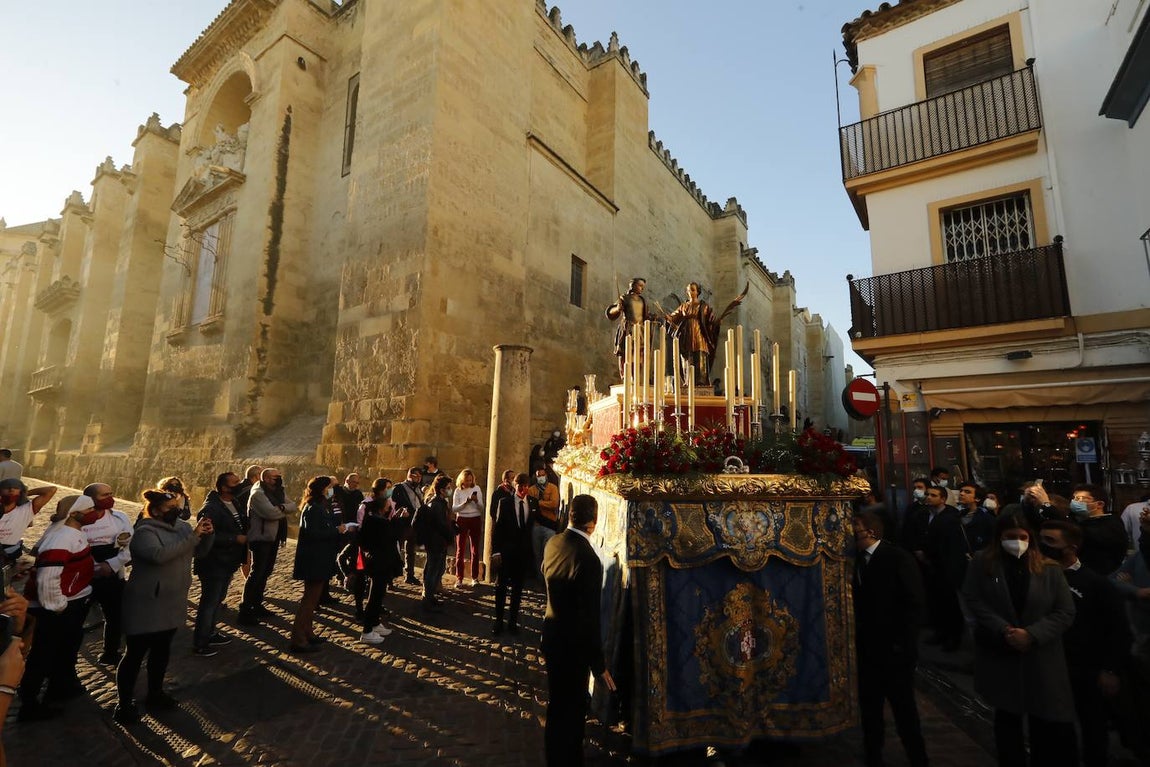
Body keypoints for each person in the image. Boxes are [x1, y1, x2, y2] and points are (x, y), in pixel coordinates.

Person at [963, 512, 1078, 766]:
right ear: (999, 537)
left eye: (1022, 537)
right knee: (1007, 719)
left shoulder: (1048, 569)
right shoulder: (983, 563)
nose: (1016, 542)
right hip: (1001, 649)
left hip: (1040, 652)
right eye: (1010, 537)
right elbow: (973, 599)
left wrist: (1032, 634)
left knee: (1043, 718)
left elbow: (1065, 611)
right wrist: (1004, 629)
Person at [115, 490, 213, 725]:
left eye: (176, 505)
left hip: (172, 600)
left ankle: (155, 693)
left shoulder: (181, 527)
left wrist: (206, 534)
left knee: (161, 652)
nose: (176, 510)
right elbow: (159, 556)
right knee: (135, 655)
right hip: (147, 602)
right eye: (170, 506)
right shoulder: (144, 531)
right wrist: (193, 537)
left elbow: (196, 550)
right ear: (156, 509)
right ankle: (124, 702)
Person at [1038, 520, 1130, 767]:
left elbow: (1117, 629)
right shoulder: (1037, 578)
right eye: (1041, 539)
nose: (1043, 546)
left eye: (1051, 541)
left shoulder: (1095, 583)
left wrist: (1110, 669)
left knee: (1092, 727)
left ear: (1072, 547)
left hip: (1086, 667)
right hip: (1050, 665)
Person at [541, 494, 615, 766]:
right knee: (572, 712)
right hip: (573, 648)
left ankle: (554, 757)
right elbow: (589, 616)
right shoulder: (588, 558)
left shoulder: (553, 542)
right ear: (594, 521)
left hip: (552, 637)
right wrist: (599, 664)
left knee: (557, 705)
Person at [851, 510, 929, 767]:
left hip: (895, 650)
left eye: (856, 529)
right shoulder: (855, 560)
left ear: (871, 532)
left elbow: (914, 603)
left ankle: (917, 758)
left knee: (904, 709)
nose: (852, 534)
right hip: (867, 649)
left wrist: (903, 644)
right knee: (870, 709)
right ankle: (873, 754)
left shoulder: (897, 557)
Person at [17, 495, 98, 721]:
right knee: (43, 654)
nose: (94, 512)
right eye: (89, 509)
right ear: (74, 514)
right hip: (57, 608)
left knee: (63, 648)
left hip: (71, 602)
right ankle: (30, 704)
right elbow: (48, 577)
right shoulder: (62, 538)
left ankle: (58, 688)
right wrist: (58, 605)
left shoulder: (70, 533)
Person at [192, 473, 248, 656]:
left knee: (217, 600)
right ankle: (201, 642)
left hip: (228, 561)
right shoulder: (212, 508)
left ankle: (210, 633)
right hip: (214, 563)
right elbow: (206, 535)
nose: (239, 485)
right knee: (209, 602)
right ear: (224, 487)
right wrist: (234, 538)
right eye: (235, 483)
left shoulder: (235, 503)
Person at [289, 476, 346, 653]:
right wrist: (336, 530)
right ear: (322, 488)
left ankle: (308, 632)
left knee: (312, 600)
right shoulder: (314, 508)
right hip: (314, 559)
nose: (332, 490)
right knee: (309, 600)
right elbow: (314, 533)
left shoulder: (320, 506)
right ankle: (298, 639)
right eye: (329, 487)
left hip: (319, 558)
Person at [80, 482, 133, 666]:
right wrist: (94, 567)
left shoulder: (119, 518)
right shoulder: (80, 520)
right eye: (104, 495)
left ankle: (110, 652)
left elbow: (129, 545)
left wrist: (111, 565)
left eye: (111, 493)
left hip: (111, 573)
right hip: (83, 575)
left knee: (115, 615)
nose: (110, 498)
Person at [240, 468, 295, 625]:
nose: (277, 480)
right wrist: (283, 509)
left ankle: (257, 604)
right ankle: (245, 609)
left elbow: (293, 505)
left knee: (266, 571)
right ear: (265, 479)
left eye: (278, 477)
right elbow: (270, 513)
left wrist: (282, 508)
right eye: (273, 478)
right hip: (261, 538)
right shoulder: (258, 493)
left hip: (273, 537)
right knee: (257, 572)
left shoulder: (278, 492)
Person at [921, 486, 967, 651]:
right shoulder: (925, 514)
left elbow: (951, 546)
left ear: (942, 499)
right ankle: (940, 633)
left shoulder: (949, 518)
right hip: (933, 567)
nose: (928, 497)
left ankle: (953, 638)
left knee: (950, 605)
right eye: (927, 494)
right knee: (937, 603)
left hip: (946, 567)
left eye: (933, 495)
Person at [354, 478, 400, 644]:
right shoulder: (378, 522)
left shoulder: (376, 520)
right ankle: (367, 630)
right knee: (374, 596)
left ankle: (374, 623)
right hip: (379, 562)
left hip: (379, 561)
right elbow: (391, 536)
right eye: (388, 504)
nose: (391, 505)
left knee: (378, 595)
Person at [492, 473, 535, 635]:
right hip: (506, 552)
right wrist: (496, 551)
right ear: (515, 486)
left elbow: (530, 529)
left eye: (526, 486)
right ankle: (498, 621)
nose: (523, 489)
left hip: (522, 554)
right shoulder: (505, 503)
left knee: (518, 589)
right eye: (520, 486)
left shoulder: (532, 503)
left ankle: (513, 622)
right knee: (501, 587)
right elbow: (497, 529)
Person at [664, 281, 719, 386]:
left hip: (699, 332)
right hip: (686, 333)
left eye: (692, 290)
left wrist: (715, 323)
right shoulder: (684, 306)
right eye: (688, 290)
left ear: (697, 291)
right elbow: (675, 316)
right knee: (686, 355)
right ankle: (687, 380)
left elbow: (710, 319)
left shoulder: (704, 306)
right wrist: (669, 318)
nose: (690, 292)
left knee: (700, 354)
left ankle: (700, 381)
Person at [1069, 484, 1127, 576]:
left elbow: (1088, 535)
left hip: (1103, 576)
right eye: (1075, 498)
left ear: (1099, 504)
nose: (1076, 502)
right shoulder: (1080, 521)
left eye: (1082, 498)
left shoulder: (1110, 524)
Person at [416, 475, 454, 611]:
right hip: (436, 542)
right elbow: (440, 525)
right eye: (448, 488)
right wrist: (451, 532)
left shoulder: (441, 502)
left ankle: (430, 597)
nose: (450, 490)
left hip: (439, 541)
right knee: (433, 570)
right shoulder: (436, 503)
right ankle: (428, 599)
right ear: (441, 490)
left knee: (436, 569)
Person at [604, 277, 651, 381]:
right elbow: (610, 312)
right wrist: (617, 309)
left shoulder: (643, 300)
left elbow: (646, 316)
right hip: (628, 329)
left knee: (638, 355)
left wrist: (653, 317)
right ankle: (626, 376)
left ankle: (636, 377)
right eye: (640, 285)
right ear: (632, 285)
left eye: (643, 287)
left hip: (640, 331)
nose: (642, 288)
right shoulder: (624, 298)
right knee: (626, 353)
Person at [0, 478, 56, 560]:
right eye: (7, 487)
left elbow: (51, 490)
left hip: (9, 551)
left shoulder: (26, 509)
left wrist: (26, 493)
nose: (11, 490)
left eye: (15, 488)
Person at [390, 467, 423, 586]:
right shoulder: (399, 488)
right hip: (402, 524)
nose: (418, 479)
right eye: (416, 476)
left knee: (411, 551)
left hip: (414, 523)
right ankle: (390, 577)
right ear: (410, 475)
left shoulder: (419, 489)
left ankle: (410, 575)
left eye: (420, 476)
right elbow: (392, 505)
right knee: (396, 550)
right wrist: (401, 512)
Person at [451, 469, 484, 587]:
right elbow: (454, 509)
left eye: (470, 480)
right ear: (462, 480)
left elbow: (481, 508)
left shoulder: (477, 489)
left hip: (475, 518)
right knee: (460, 549)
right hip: (462, 519)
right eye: (466, 481)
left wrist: (475, 501)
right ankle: (459, 577)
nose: (469, 483)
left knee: (475, 549)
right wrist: (465, 502)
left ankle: (474, 577)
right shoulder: (458, 491)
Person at [529, 468, 561, 579]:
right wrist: (540, 504)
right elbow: (530, 504)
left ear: (546, 475)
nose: (541, 478)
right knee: (537, 554)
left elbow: (554, 503)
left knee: (548, 553)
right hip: (537, 525)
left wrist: (538, 502)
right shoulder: (532, 490)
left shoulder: (553, 488)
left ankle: (548, 577)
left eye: (543, 475)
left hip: (549, 525)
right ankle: (539, 578)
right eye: (539, 476)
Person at [957, 482, 994, 554]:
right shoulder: (955, 516)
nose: (961, 493)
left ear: (977, 498)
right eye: (961, 491)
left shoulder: (987, 519)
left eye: (967, 492)